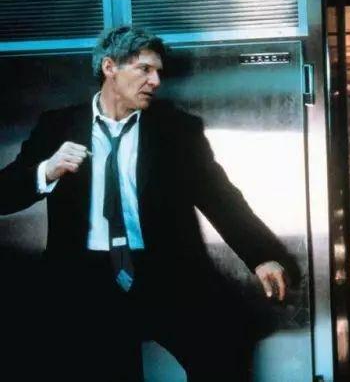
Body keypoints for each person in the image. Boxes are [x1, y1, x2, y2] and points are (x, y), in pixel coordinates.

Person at [0, 26, 295, 381]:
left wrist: (261, 255)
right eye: (144, 69)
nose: (155, 81)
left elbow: (220, 197)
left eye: (158, 72)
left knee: (223, 354)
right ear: (110, 67)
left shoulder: (176, 129)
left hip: (164, 274)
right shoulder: (57, 126)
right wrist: (46, 171)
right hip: (86, 281)